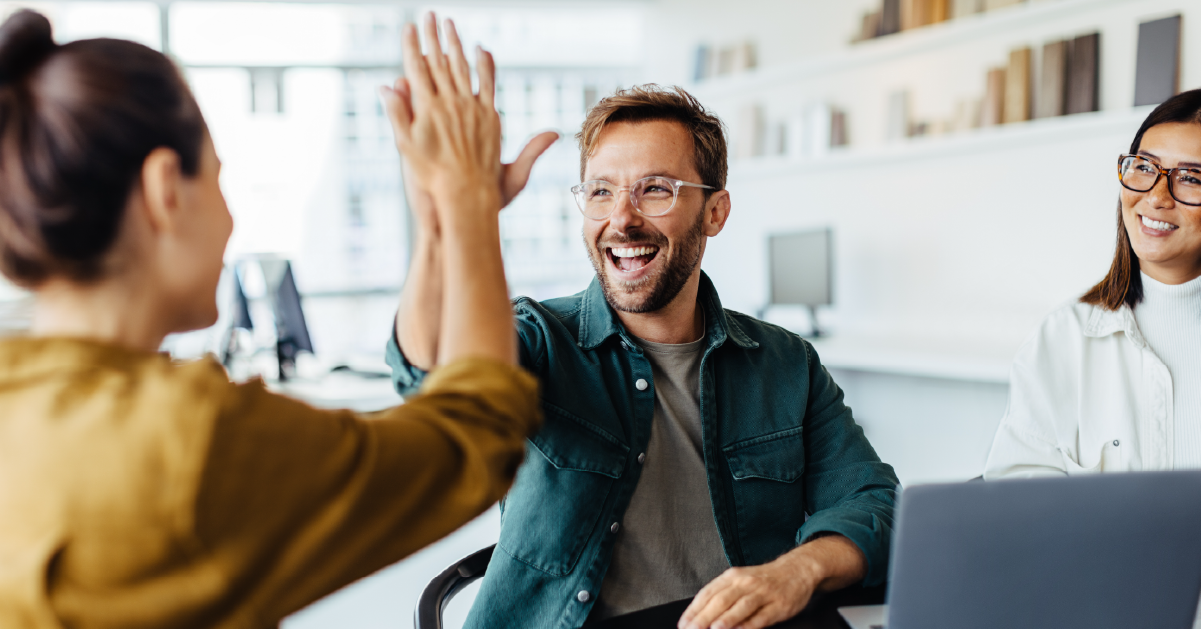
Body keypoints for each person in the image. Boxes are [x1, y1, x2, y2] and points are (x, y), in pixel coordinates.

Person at [0, 10, 542, 627]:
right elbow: (474, 436)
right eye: (220, 180)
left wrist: (446, 220)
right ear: (165, 191)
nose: (231, 220)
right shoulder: (190, 439)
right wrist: (468, 201)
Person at [389, 79, 900, 626]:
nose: (623, 218)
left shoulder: (786, 364)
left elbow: (876, 505)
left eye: (655, 189)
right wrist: (446, 223)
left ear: (714, 213)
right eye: (601, 191)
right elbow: (432, 372)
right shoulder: (539, 339)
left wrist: (799, 571)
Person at [985, 89, 1201, 478]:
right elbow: (1019, 502)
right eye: (1145, 168)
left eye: (1190, 177)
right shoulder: (1062, 338)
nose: (1156, 197)